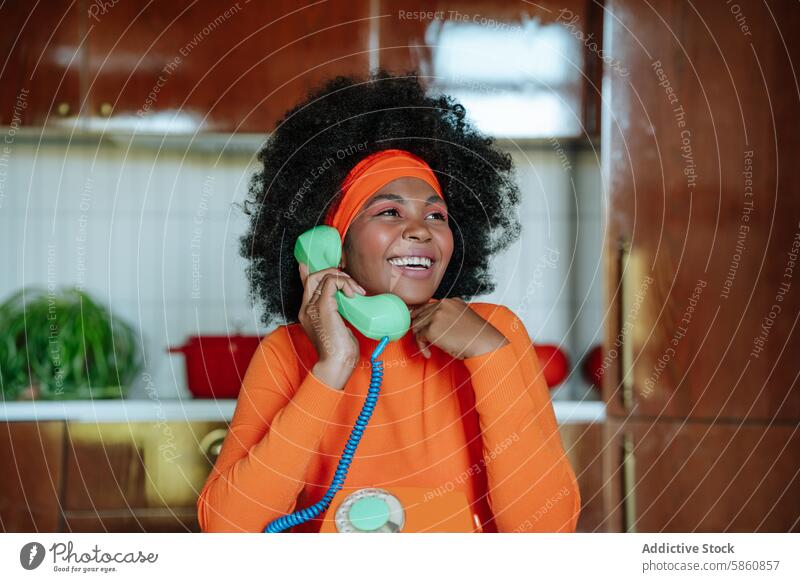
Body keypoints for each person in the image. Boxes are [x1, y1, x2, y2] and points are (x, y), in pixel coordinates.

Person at [196, 69, 581, 533]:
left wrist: (490, 358)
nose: (420, 229)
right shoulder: (287, 354)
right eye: (389, 211)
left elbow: (549, 533)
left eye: (435, 215)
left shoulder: (494, 333)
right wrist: (331, 367)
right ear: (330, 244)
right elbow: (226, 530)